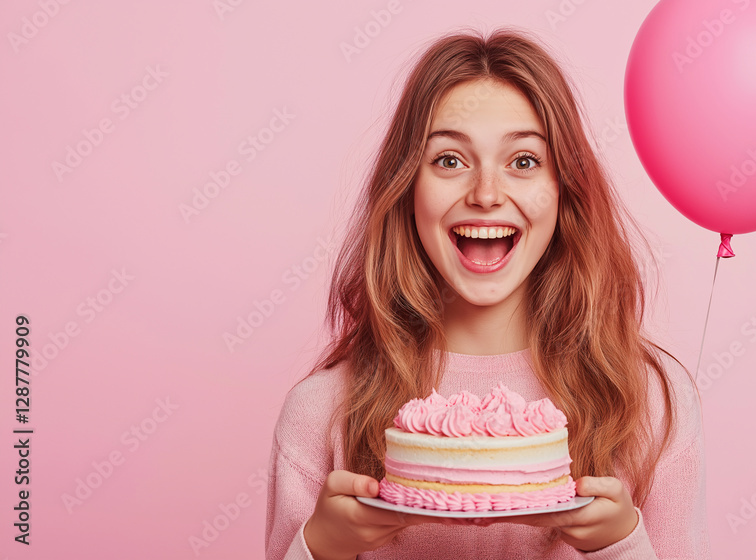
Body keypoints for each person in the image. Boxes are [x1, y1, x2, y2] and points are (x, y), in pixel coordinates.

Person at [265, 26, 710, 560]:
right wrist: (320, 548)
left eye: (524, 161)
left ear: (564, 189)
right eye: (449, 160)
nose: (486, 194)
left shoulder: (650, 401)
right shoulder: (321, 412)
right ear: (407, 188)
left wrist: (620, 546)